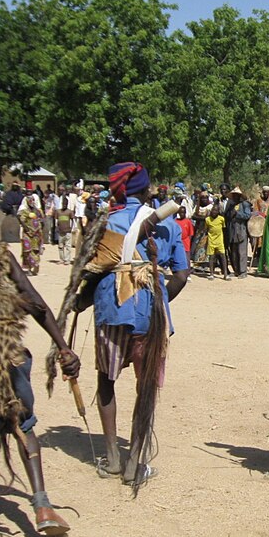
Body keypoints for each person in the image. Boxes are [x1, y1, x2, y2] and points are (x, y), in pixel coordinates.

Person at [0, 198, 80, 537]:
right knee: (23, 424)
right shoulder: (0, 256)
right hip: (6, 353)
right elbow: (35, 302)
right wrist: (62, 346)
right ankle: (42, 506)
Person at [89, 162, 189, 486]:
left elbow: (90, 270)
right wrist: (159, 299)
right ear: (147, 191)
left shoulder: (106, 222)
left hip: (112, 313)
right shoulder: (169, 224)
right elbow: (182, 275)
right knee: (145, 388)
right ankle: (134, 462)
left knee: (106, 379)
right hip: (152, 318)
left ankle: (113, 457)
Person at [227, 187, 251, 279]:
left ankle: (243, 271)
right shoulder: (231, 205)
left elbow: (247, 215)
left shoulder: (245, 204)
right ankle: (236, 270)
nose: (235, 197)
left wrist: (237, 214)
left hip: (242, 230)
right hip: (232, 230)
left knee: (242, 252)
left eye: (237, 195)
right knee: (234, 252)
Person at [18, 195, 45, 275]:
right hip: (27, 234)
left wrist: (39, 230)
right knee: (27, 250)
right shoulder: (24, 211)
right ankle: (29, 268)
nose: (31, 202)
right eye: (30, 200)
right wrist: (26, 228)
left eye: (33, 200)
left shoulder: (38, 211)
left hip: (37, 234)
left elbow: (42, 221)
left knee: (35, 250)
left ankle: (36, 265)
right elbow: (21, 220)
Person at [205, 204, 229, 280]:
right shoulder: (207, 219)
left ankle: (225, 274)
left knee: (223, 256)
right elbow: (206, 229)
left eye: (216, 210)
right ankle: (211, 273)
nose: (214, 212)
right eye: (213, 210)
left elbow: (224, 229)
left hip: (220, 240)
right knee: (212, 257)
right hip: (211, 240)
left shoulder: (221, 219)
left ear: (218, 211)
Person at [56, 196, 74, 265]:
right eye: (63, 203)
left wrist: (71, 229)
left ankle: (67, 260)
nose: (64, 205)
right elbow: (56, 220)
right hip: (60, 231)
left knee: (68, 246)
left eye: (66, 204)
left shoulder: (69, 212)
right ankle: (61, 259)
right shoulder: (58, 212)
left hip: (67, 232)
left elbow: (72, 221)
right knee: (60, 246)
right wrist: (57, 228)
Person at [175, 205, 195, 270]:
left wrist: (189, 241)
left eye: (183, 212)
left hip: (186, 242)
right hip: (178, 242)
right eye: (180, 212)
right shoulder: (175, 221)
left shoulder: (188, 221)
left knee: (186, 258)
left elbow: (191, 233)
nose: (182, 214)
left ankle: (188, 273)